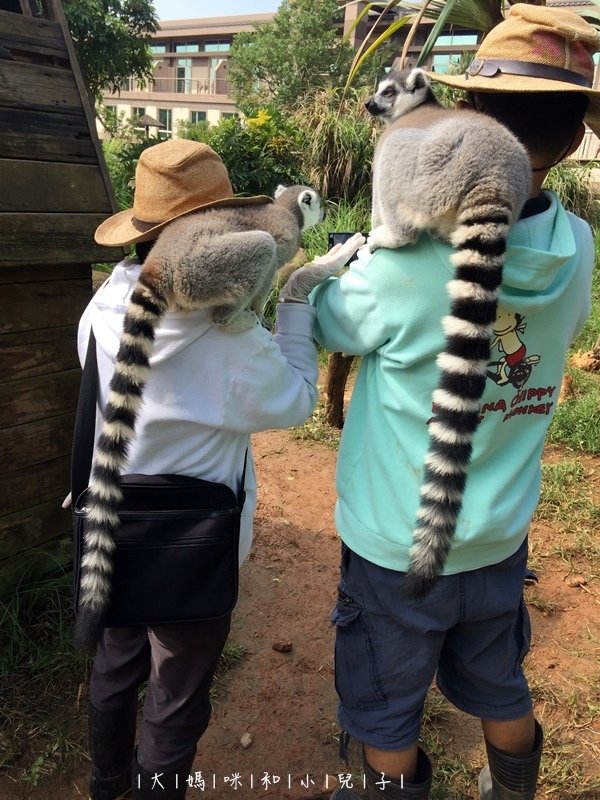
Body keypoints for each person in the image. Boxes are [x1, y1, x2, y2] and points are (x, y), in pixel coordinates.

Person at [309, 6, 598, 799]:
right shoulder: (579, 250)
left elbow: (330, 321)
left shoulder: (413, 266)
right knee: (499, 679)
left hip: (397, 540)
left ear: (466, 119)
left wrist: (344, 265)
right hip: (499, 533)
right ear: (574, 142)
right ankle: (512, 788)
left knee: (387, 711)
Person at [79, 139, 363, 800]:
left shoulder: (101, 306)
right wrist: (293, 300)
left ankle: (105, 782)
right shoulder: (230, 342)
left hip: (110, 520)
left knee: (117, 658)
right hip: (191, 546)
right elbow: (294, 401)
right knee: (175, 692)